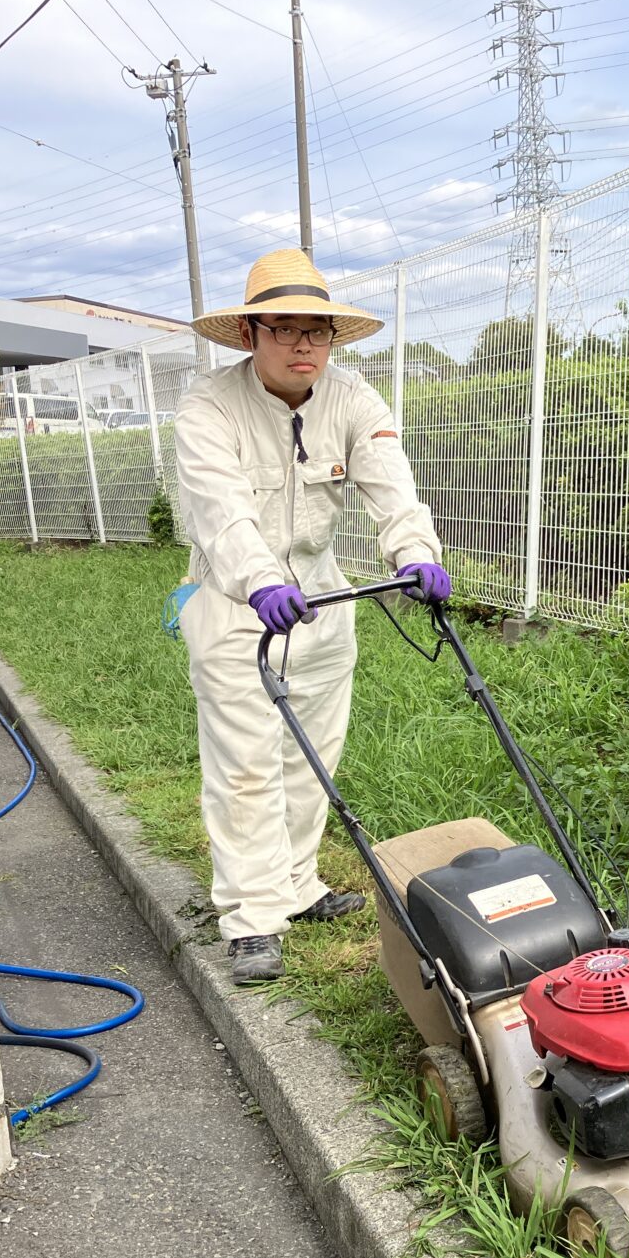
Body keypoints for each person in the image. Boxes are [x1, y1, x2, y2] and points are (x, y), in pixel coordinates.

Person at [172, 249, 449, 984]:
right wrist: (260, 580)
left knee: (312, 756)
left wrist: (415, 553)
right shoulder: (209, 407)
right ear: (252, 334)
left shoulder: (355, 401)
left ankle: (296, 885)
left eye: (318, 333)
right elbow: (220, 511)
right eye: (286, 330)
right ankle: (251, 918)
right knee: (245, 767)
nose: (304, 347)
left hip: (322, 601)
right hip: (237, 605)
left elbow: (393, 488)